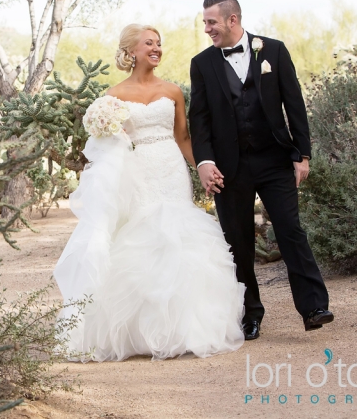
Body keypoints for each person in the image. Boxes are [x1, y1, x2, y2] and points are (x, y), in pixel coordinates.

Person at [54, 24, 245, 362]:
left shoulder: (172, 91)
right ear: (131, 51)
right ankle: (139, 332)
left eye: (159, 43)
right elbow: (106, 145)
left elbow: (184, 137)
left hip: (171, 168)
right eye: (149, 43)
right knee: (141, 235)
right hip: (136, 170)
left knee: (178, 235)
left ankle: (186, 328)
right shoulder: (112, 96)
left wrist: (201, 167)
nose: (156, 48)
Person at [188, 0, 333, 340]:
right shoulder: (202, 63)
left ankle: (313, 307)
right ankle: (250, 314)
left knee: (290, 231)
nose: (206, 29)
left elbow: (294, 103)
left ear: (233, 19)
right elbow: (200, 119)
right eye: (205, 23)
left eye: (211, 22)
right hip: (228, 168)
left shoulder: (274, 51)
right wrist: (205, 162)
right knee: (238, 242)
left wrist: (303, 154)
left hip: (274, 159)